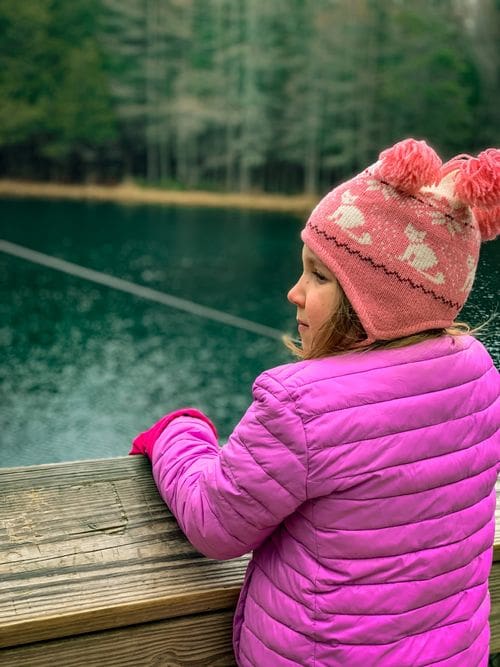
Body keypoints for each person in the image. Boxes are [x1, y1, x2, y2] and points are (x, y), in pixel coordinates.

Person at [130, 138, 500, 666]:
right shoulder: (478, 376)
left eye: (320, 275)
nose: (294, 293)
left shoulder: (303, 406)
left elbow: (215, 520)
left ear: (376, 303)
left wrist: (176, 435)